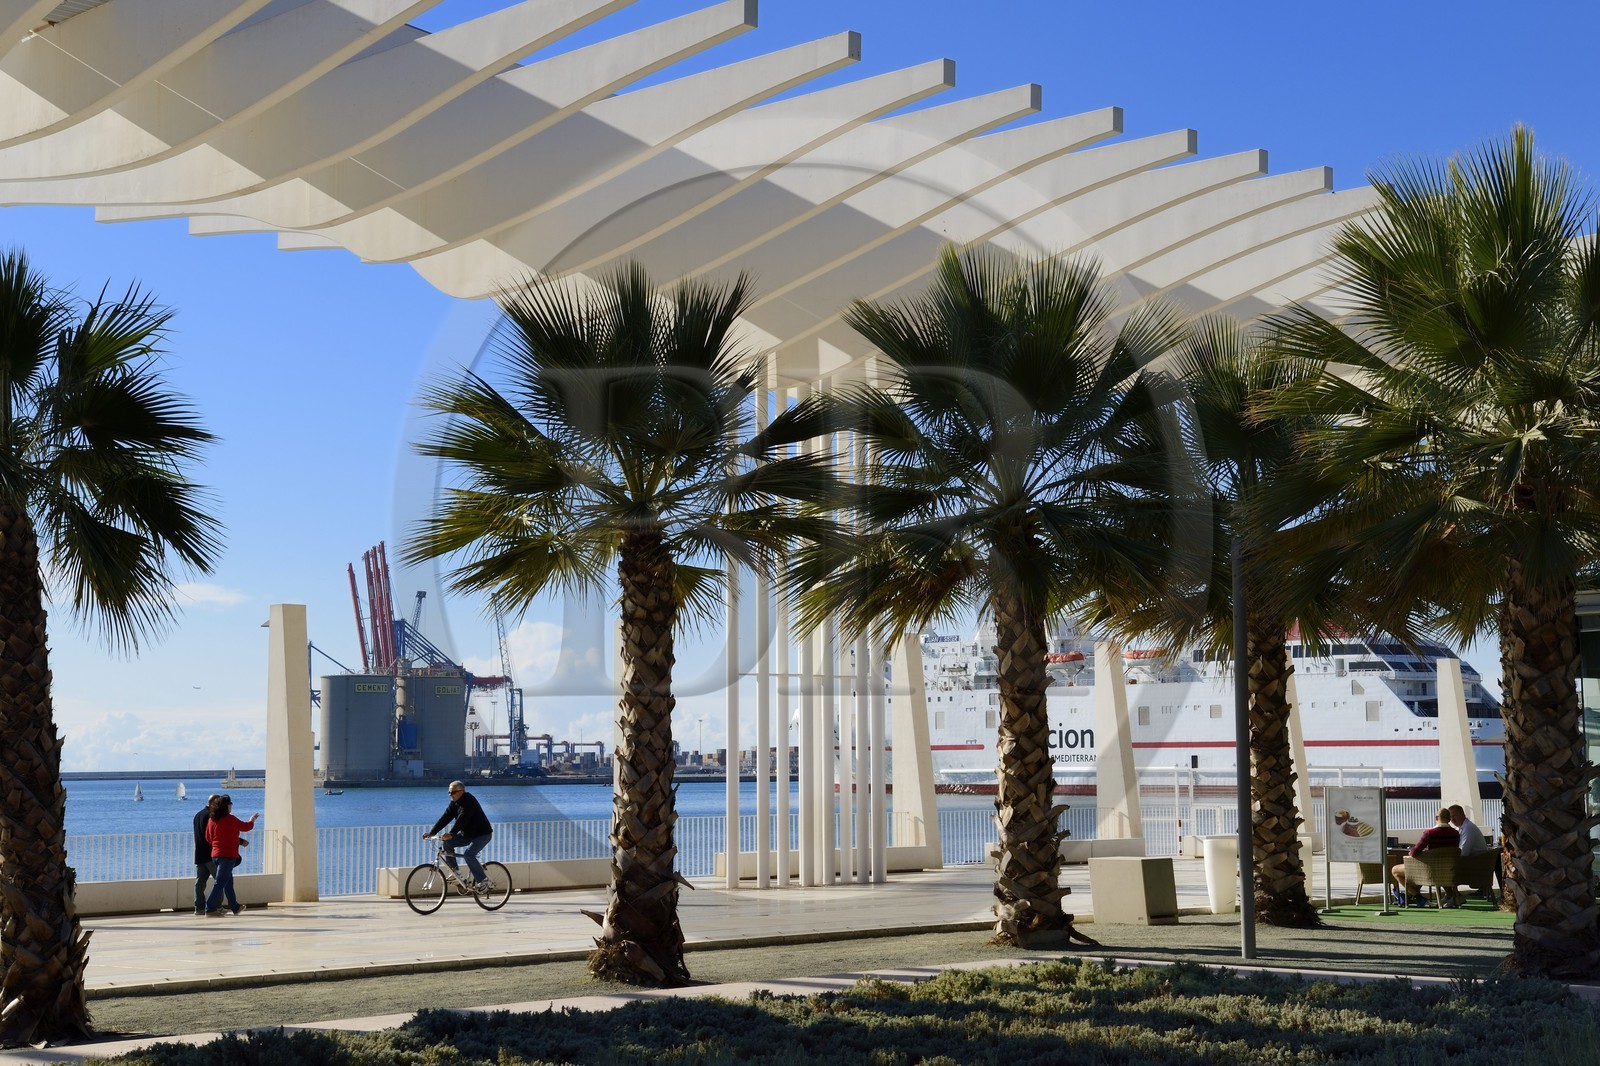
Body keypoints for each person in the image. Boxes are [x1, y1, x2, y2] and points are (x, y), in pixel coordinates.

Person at [425, 780, 493, 890]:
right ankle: (455, 873)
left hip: (482, 835)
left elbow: (463, 819)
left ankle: (483, 881)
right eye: (449, 792)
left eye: (453, 792)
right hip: (467, 835)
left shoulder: (469, 800)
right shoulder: (454, 802)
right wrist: (432, 832)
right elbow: (445, 817)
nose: (450, 795)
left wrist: (452, 833)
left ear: (462, 791)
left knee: (469, 855)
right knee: (447, 843)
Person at [203, 794, 259, 916]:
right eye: (230, 804)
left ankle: (235, 907)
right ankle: (210, 908)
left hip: (215, 855)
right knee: (220, 882)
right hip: (227, 856)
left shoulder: (212, 820)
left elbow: (208, 837)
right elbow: (246, 827)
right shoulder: (230, 819)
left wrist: (218, 844)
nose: (231, 806)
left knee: (228, 881)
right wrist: (252, 820)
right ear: (227, 806)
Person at [1390, 808, 1459, 906]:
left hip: (1430, 870)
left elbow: (1414, 852)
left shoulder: (1429, 833)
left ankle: (1418, 897)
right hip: (1448, 870)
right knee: (1416, 873)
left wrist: (1416, 850)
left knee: (1395, 870)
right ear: (1449, 819)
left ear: (1436, 818)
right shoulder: (1456, 834)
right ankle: (1408, 897)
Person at [192, 793, 221, 917]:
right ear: (214, 803)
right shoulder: (211, 816)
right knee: (220, 881)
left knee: (200, 883)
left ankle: (199, 907)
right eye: (219, 803)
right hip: (210, 854)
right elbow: (213, 835)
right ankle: (217, 906)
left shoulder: (197, 815)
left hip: (199, 854)